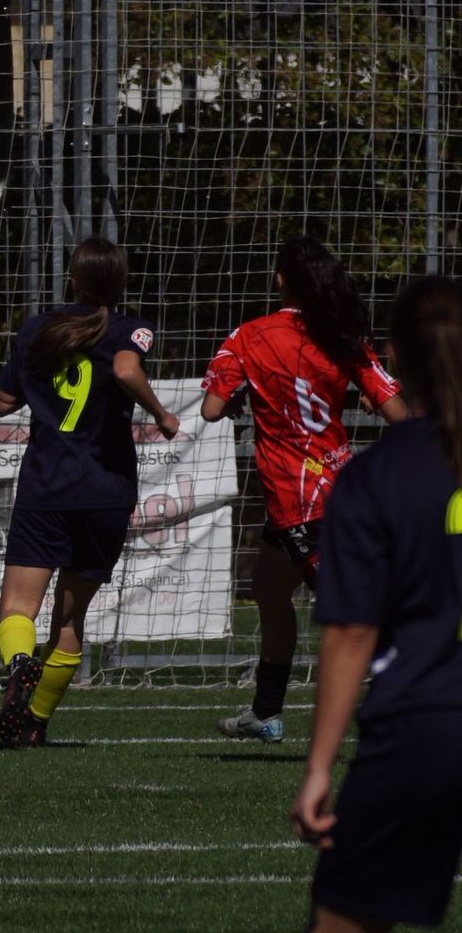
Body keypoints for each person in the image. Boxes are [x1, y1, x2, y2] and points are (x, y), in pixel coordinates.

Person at [289, 275, 462, 931]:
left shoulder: (378, 474)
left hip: (425, 728)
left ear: (392, 357)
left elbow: (352, 633)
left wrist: (318, 769)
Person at [201, 235, 406, 743]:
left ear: (280, 280)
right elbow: (397, 413)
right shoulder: (340, 335)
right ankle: (266, 711)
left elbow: (210, 408)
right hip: (338, 487)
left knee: (354, 618)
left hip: (301, 503)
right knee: (268, 589)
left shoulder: (249, 335)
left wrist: (239, 397)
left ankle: (422, 701)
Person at [0, 236, 179, 746]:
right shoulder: (130, 327)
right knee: (70, 619)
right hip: (106, 490)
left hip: (46, 486)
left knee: (17, 609)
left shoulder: (38, 328)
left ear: (71, 280)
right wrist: (162, 415)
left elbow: (4, 402)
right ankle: (35, 725)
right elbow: (125, 367)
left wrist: (35, 386)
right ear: (120, 284)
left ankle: (21, 664)